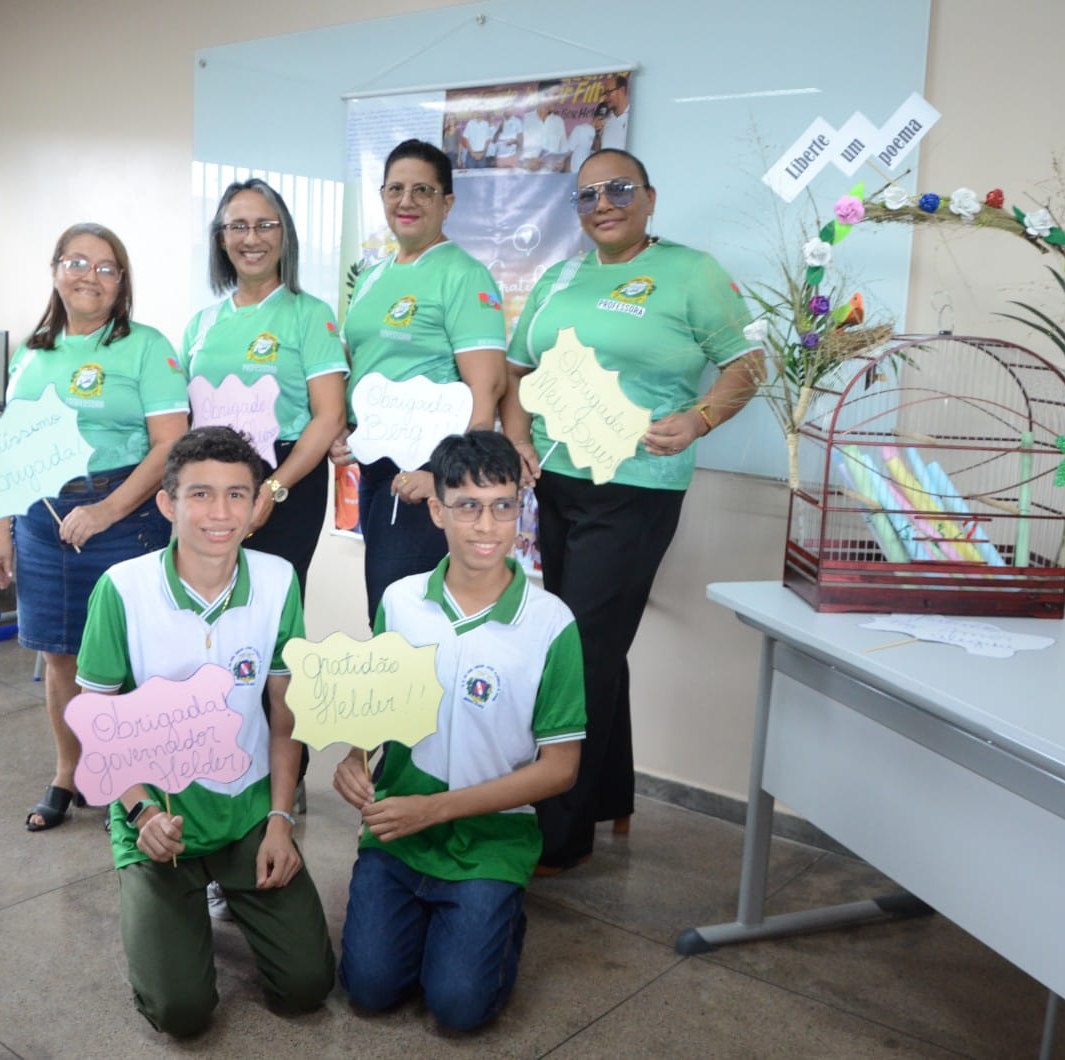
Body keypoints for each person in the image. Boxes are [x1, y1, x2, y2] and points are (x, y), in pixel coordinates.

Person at [500, 150, 763, 873]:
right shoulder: (559, 278)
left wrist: (701, 419)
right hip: (557, 481)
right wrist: (518, 437)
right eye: (586, 195)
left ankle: (561, 833)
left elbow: (748, 361)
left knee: (580, 651)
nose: (602, 203)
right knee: (585, 642)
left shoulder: (692, 272)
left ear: (649, 198)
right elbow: (518, 370)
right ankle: (610, 790)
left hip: (638, 483)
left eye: (618, 189)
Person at [78, 426, 335, 1036]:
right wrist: (141, 814)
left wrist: (280, 821)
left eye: (236, 495)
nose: (219, 513)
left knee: (307, 987)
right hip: (158, 817)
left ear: (256, 505)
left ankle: (225, 886)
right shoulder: (122, 589)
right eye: (200, 495)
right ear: (168, 503)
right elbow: (96, 728)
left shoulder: (277, 581)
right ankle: (170, 907)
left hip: (245, 811)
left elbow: (284, 714)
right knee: (182, 1013)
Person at [333, 431, 584, 1031]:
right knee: (369, 989)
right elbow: (380, 702)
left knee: (459, 1009)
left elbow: (560, 769)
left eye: (503, 505)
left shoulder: (551, 623)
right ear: (437, 510)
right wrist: (354, 754)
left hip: (490, 840)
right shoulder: (399, 601)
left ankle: (491, 913)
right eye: (468, 506)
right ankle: (433, 921)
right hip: (398, 832)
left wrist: (434, 810)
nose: (488, 526)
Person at [0, 222, 189, 833]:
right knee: (60, 657)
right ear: (55, 271)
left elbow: (169, 447)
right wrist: (1, 532)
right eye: (77, 262)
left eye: (105, 267)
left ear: (121, 281)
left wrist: (106, 511)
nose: (89, 276)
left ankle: (130, 782)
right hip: (42, 519)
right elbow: (9, 446)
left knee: (127, 658)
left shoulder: (148, 348)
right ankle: (69, 772)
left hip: (122, 514)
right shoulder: (33, 351)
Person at [331, 139, 507, 622]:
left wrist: (442, 479)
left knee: (413, 625)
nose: (406, 201)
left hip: (427, 478)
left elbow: (486, 392)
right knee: (386, 611)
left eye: (423, 191)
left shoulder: (464, 276)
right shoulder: (372, 276)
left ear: (446, 203)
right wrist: (344, 432)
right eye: (395, 189)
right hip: (377, 474)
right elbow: (359, 368)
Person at [182, 178, 347, 601]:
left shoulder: (309, 314)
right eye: (237, 227)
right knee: (208, 602)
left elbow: (329, 416)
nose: (251, 239)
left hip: (287, 477)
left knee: (272, 608)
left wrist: (272, 489)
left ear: (284, 235)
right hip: (209, 479)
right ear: (221, 239)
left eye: (265, 225)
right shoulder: (201, 323)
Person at [591, 74, 631, 152]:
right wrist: (597, 134)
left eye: (609, 92)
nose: (605, 97)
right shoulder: (605, 119)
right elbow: (596, 152)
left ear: (622, 90)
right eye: (604, 94)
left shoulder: (635, 116)